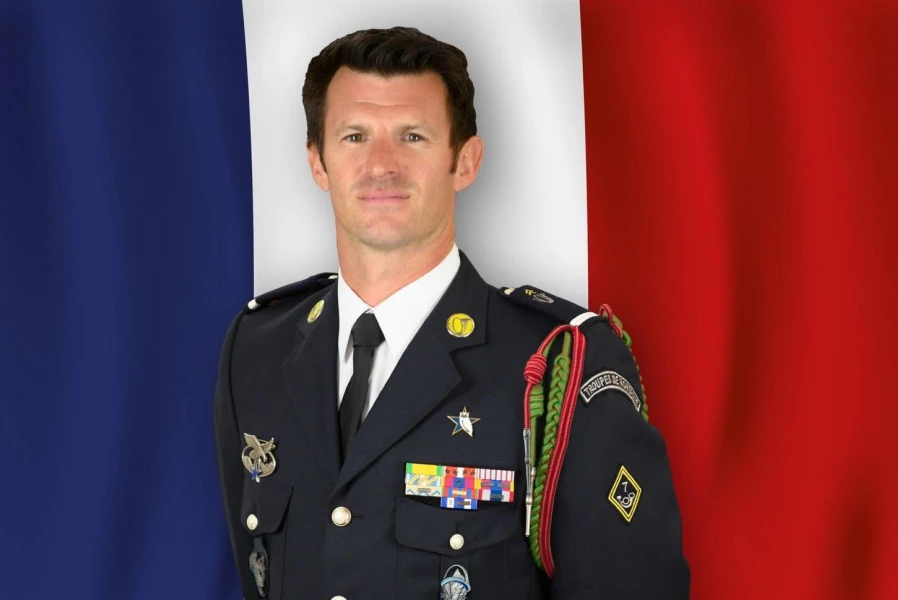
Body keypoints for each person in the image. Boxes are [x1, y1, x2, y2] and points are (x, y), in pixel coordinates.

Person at [214, 26, 689, 600]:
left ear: (464, 161)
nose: (381, 165)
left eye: (412, 136)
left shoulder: (555, 367)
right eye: (355, 136)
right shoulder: (258, 349)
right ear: (318, 162)